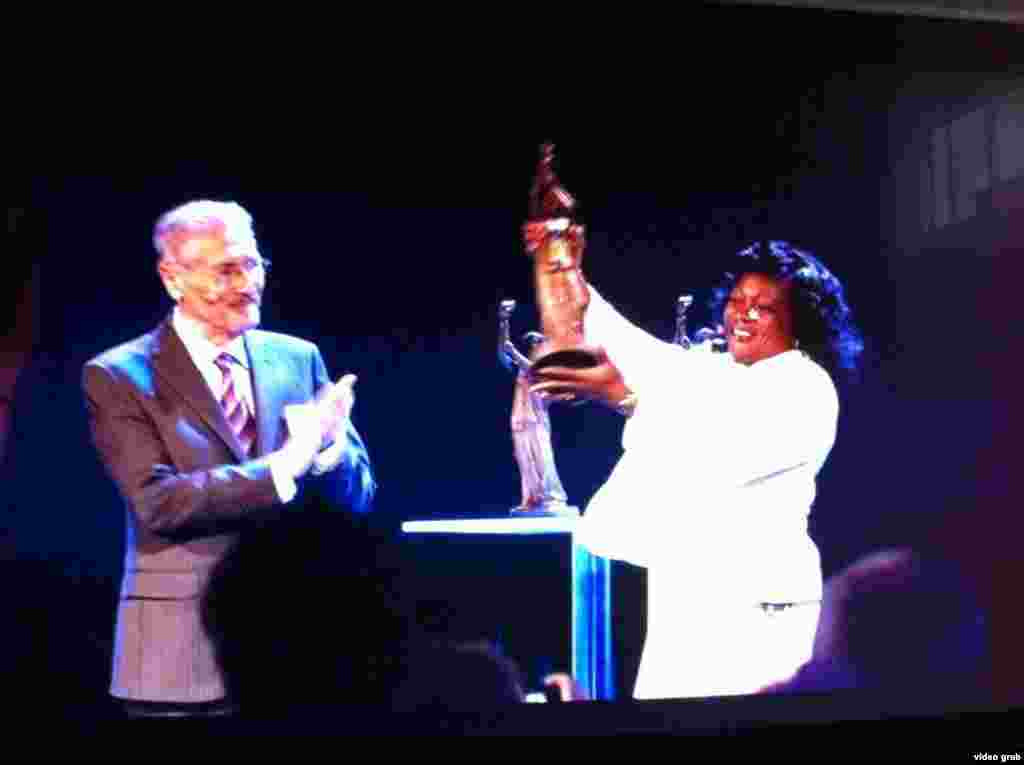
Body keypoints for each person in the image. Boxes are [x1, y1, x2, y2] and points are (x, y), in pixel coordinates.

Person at [530, 240, 863, 700]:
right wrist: (560, 259)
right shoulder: (712, 372)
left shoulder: (807, 387)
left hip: (755, 612)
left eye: (763, 308)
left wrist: (627, 399)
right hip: (686, 596)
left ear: (799, 321)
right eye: (737, 301)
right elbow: (624, 343)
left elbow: (722, 452)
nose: (742, 315)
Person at [82, 199, 375, 717]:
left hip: (302, 653)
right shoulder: (119, 377)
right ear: (173, 278)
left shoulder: (297, 357)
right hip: (181, 662)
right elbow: (159, 503)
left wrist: (329, 453)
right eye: (226, 270)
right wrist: (286, 465)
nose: (248, 283)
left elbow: (360, 496)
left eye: (253, 263)